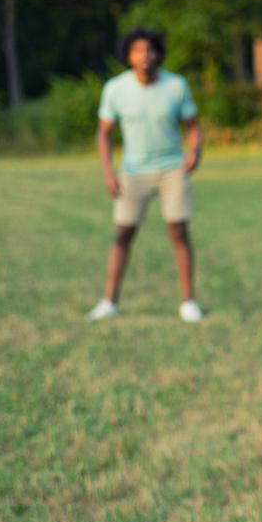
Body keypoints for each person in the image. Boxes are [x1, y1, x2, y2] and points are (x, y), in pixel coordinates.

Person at [87, 26, 205, 323]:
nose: (145, 56)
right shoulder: (115, 89)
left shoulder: (176, 86)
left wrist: (196, 150)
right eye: (138, 50)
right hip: (133, 171)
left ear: (159, 54)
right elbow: (104, 134)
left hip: (171, 168)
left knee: (178, 231)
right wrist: (108, 172)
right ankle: (109, 301)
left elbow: (193, 126)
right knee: (123, 234)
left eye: (150, 50)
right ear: (128, 55)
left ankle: (188, 302)